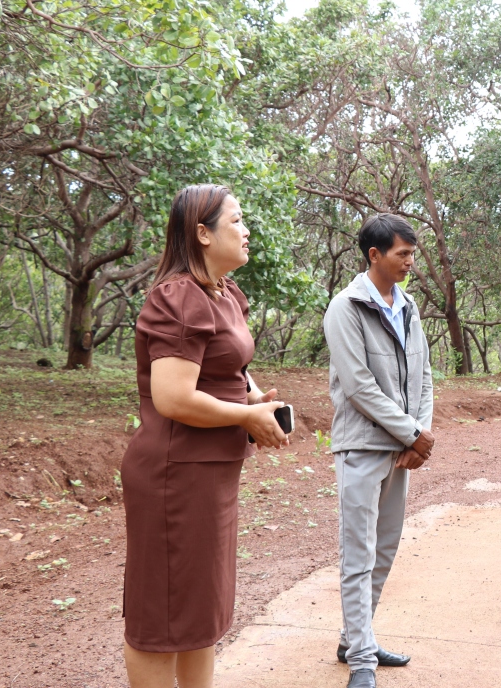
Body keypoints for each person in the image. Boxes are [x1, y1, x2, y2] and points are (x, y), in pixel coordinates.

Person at [121, 185, 290, 688]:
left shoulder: (224, 292)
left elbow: (233, 367)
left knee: (198, 613)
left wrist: (257, 402)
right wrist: (242, 418)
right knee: (161, 617)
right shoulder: (177, 297)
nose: (246, 230)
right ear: (202, 233)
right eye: (236, 221)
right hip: (175, 477)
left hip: (210, 476)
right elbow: (173, 398)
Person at [323, 213, 435, 688]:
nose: (410, 261)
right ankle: (363, 661)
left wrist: (418, 435)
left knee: (384, 550)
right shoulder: (345, 308)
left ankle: (355, 639)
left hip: (402, 448)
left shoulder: (407, 305)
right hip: (362, 448)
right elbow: (358, 387)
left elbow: (424, 377)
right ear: (375, 255)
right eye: (402, 254)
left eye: (412, 253)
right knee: (359, 553)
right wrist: (411, 433)